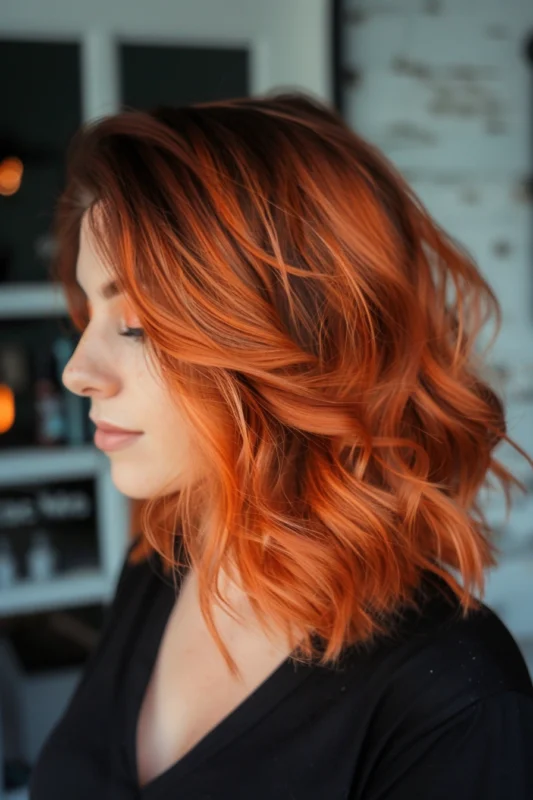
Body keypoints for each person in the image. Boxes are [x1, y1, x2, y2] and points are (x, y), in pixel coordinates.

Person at [29, 92, 533, 799]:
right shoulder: (159, 570)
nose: (78, 372)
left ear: (293, 335)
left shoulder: (452, 703)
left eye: (137, 321)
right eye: (87, 313)